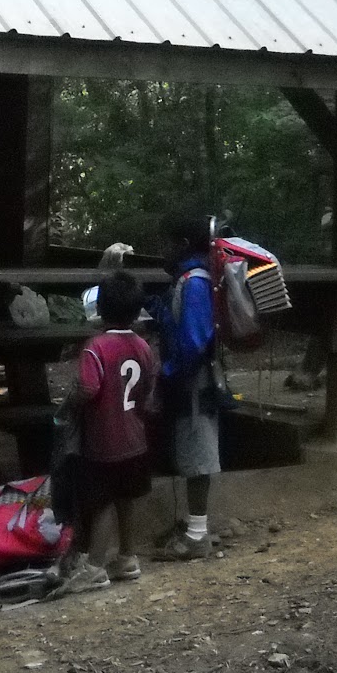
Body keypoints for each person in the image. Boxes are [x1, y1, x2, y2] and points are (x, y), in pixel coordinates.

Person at [58, 270, 159, 590]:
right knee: (126, 498)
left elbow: (88, 387)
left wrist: (69, 402)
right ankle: (127, 557)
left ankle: (95, 567)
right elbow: (148, 388)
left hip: (105, 442)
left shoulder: (95, 347)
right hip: (136, 440)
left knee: (101, 503)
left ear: (99, 308)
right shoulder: (143, 345)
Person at [153, 214, 224, 560]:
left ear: (181, 246)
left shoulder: (194, 283)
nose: (160, 250)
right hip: (188, 376)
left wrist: (167, 372)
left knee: (197, 449)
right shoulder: (188, 280)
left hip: (193, 379)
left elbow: (194, 342)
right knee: (188, 445)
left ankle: (198, 535)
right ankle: (191, 524)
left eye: (166, 243)